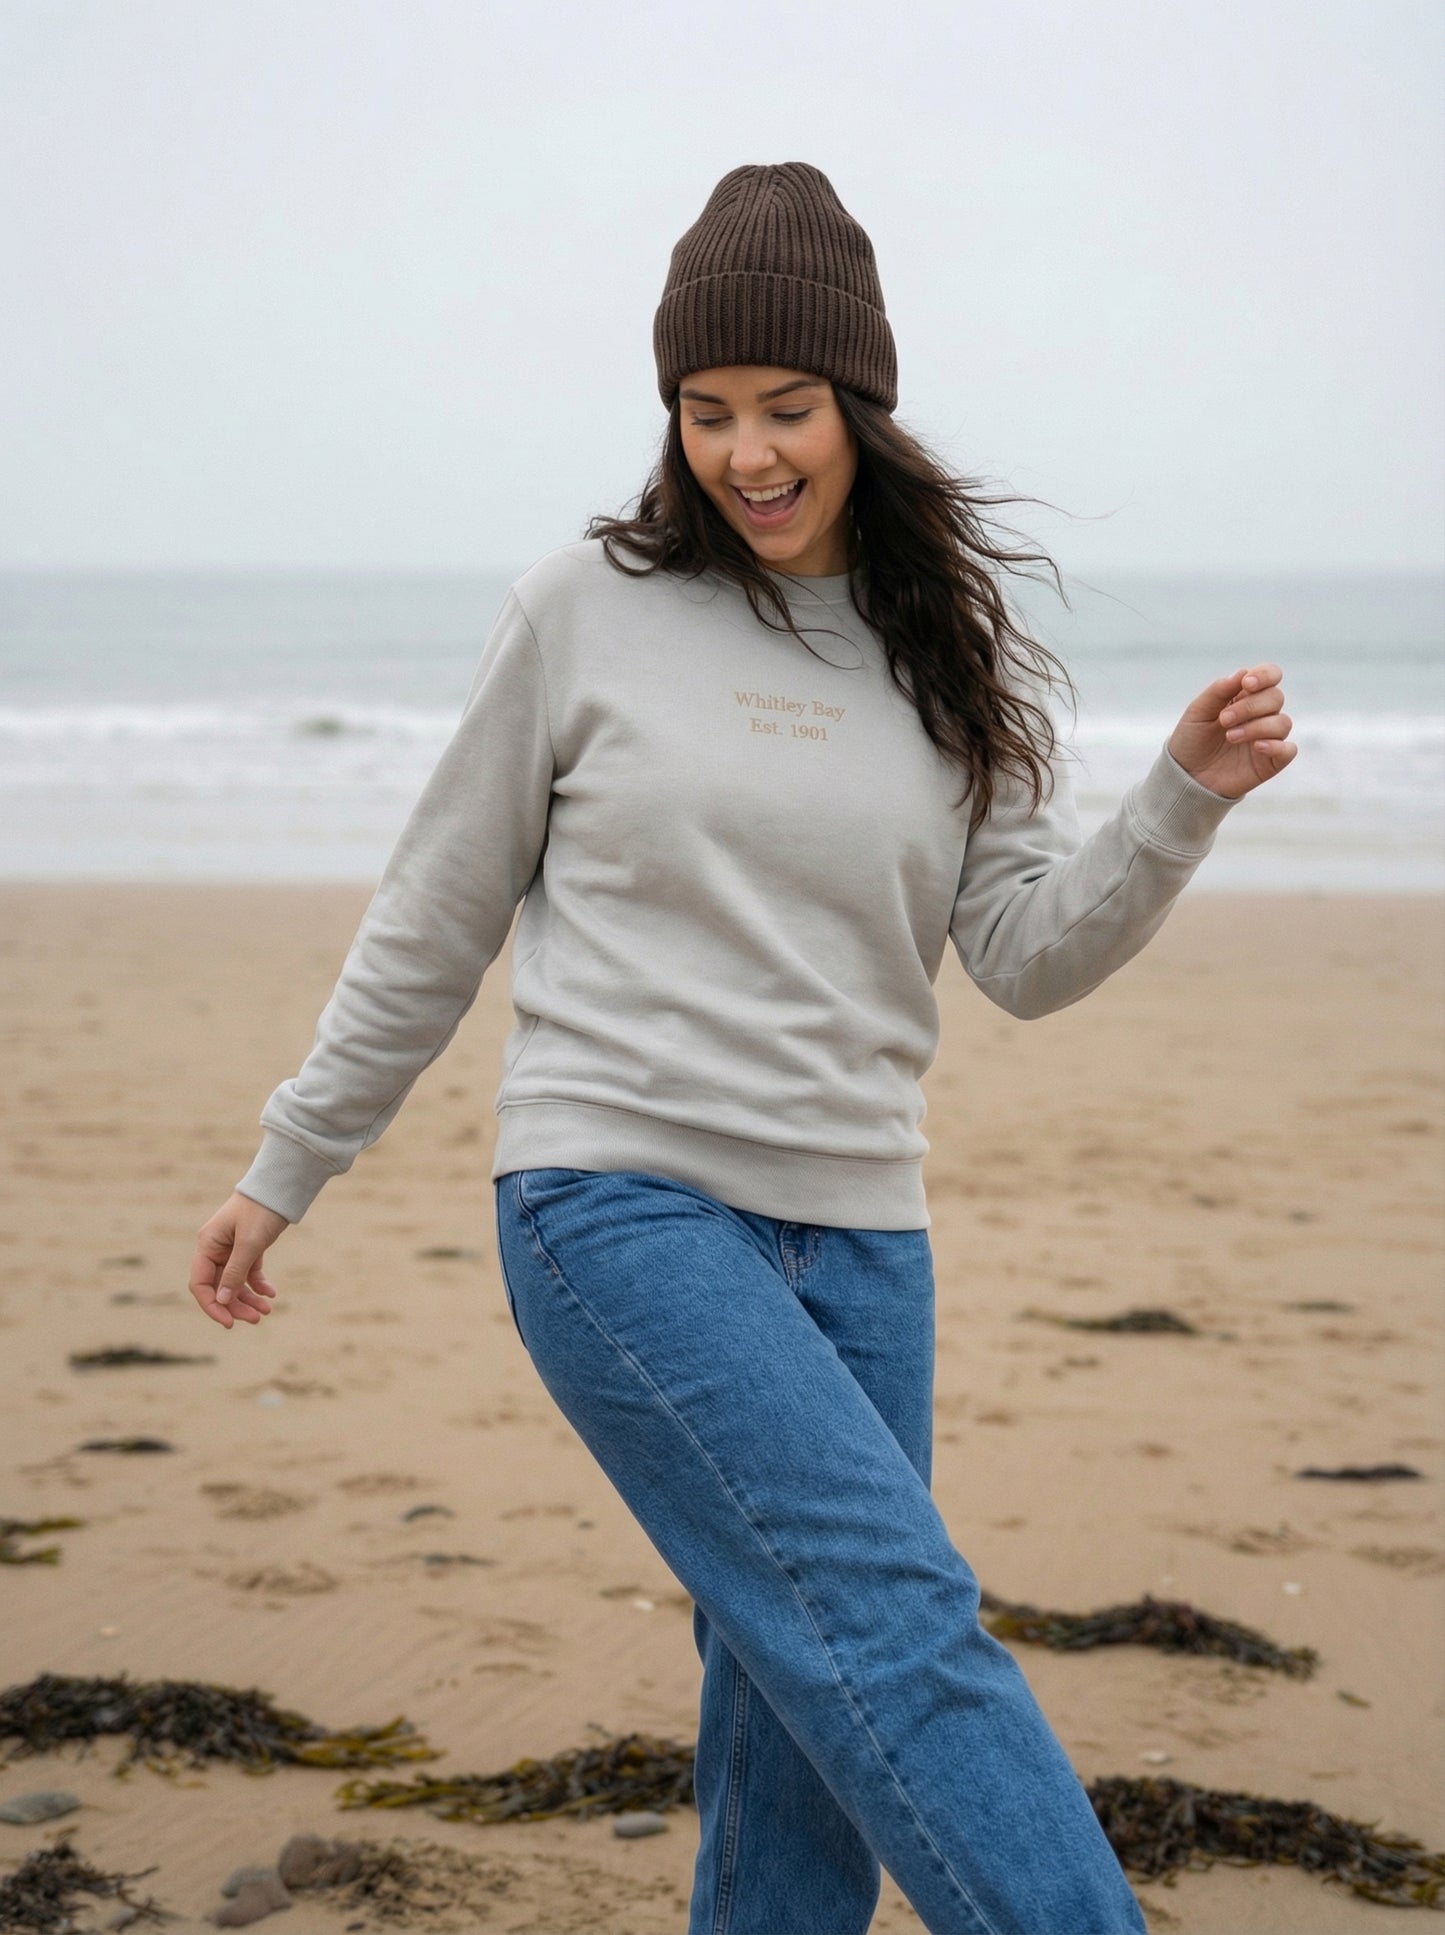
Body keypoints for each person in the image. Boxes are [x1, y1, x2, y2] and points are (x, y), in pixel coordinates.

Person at [189, 163, 1296, 1935]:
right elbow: (435, 911)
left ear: (860, 406)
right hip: (616, 1203)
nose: (745, 452)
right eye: (704, 412)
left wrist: (1177, 805)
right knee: (894, 1627)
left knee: (798, 1710)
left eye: (785, 409)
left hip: (864, 1238)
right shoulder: (583, 607)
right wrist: (290, 1159)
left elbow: (1021, 958)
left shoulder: (948, 659)